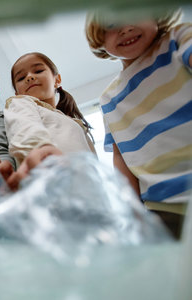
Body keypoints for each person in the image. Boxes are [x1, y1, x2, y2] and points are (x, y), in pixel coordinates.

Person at [85, 8, 191, 238]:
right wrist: (133, 213)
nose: (126, 28)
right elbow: (121, 156)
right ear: (99, 37)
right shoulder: (109, 98)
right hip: (161, 207)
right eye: (111, 24)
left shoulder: (177, 39)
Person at [4, 52, 96, 190]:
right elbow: (24, 125)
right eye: (21, 78)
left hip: (88, 188)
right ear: (17, 93)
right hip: (48, 177)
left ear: (57, 80)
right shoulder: (21, 102)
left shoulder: (76, 124)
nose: (29, 77)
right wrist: (41, 148)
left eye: (38, 70)